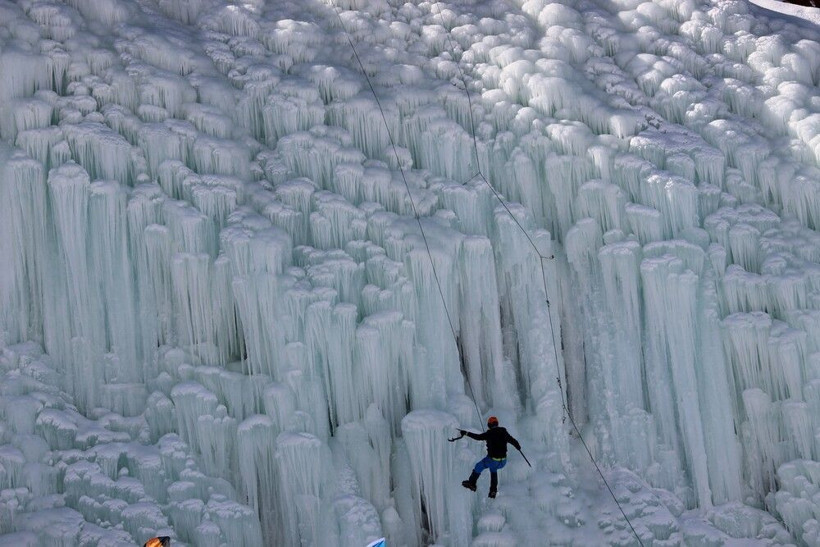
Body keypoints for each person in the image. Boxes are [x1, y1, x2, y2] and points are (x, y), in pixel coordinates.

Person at [459, 416, 521, 498]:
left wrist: (466, 433)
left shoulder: (489, 434)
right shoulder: (503, 432)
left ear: (489, 425)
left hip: (493, 461)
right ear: (497, 424)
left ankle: (472, 483)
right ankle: (493, 491)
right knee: (493, 470)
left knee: (479, 466)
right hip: (503, 462)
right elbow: (513, 441)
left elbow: (477, 437)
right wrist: (518, 447)